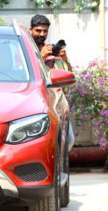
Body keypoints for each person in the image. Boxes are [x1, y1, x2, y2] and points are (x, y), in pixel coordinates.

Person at [29, 14, 75, 150]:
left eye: (45, 31)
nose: (41, 34)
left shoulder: (50, 49)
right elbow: (24, 73)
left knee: (69, 139)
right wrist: (40, 56)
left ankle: (58, 169)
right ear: (30, 30)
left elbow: (68, 74)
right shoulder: (25, 49)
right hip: (35, 102)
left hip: (56, 101)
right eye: (38, 30)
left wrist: (65, 60)